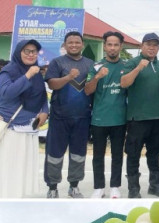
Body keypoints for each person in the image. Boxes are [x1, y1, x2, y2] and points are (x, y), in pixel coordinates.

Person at [121, 32, 159, 198]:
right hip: (137, 119)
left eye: (155, 45)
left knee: (155, 154)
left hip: (157, 118)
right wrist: (138, 68)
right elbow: (124, 83)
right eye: (148, 44)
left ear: (158, 48)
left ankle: (155, 185)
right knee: (133, 154)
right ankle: (133, 189)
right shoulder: (132, 63)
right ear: (141, 46)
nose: (152, 48)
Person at [44, 31, 93, 198]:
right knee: (54, 154)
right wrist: (69, 77)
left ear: (82, 44)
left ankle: (74, 186)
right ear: (64, 45)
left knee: (78, 154)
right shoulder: (57, 63)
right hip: (59, 117)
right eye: (70, 42)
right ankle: (52, 187)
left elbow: (92, 88)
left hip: (82, 118)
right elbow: (52, 84)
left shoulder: (90, 64)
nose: (74, 45)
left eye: (77, 42)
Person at [0, 39, 48, 198]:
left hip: (29, 129)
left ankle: (20, 199)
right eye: (26, 51)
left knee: (24, 168)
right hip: (13, 129)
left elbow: (42, 96)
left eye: (34, 51)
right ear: (18, 52)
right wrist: (27, 75)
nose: (31, 54)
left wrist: (44, 111)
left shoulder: (37, 73)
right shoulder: (9, 71)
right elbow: (7, 94)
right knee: (10, 168)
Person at [85, 31, 128, 199]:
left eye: (116, 44)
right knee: (98, 155)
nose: (112, 48)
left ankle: (115, 186)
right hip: (99, 119)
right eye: (109, 44)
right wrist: (97, 77)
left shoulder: (126, 66)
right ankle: (99, 187)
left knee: (117, 154)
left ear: (120, 46)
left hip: (119, 118)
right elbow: (87, 90)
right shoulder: (96, 66)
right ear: (104, 46)